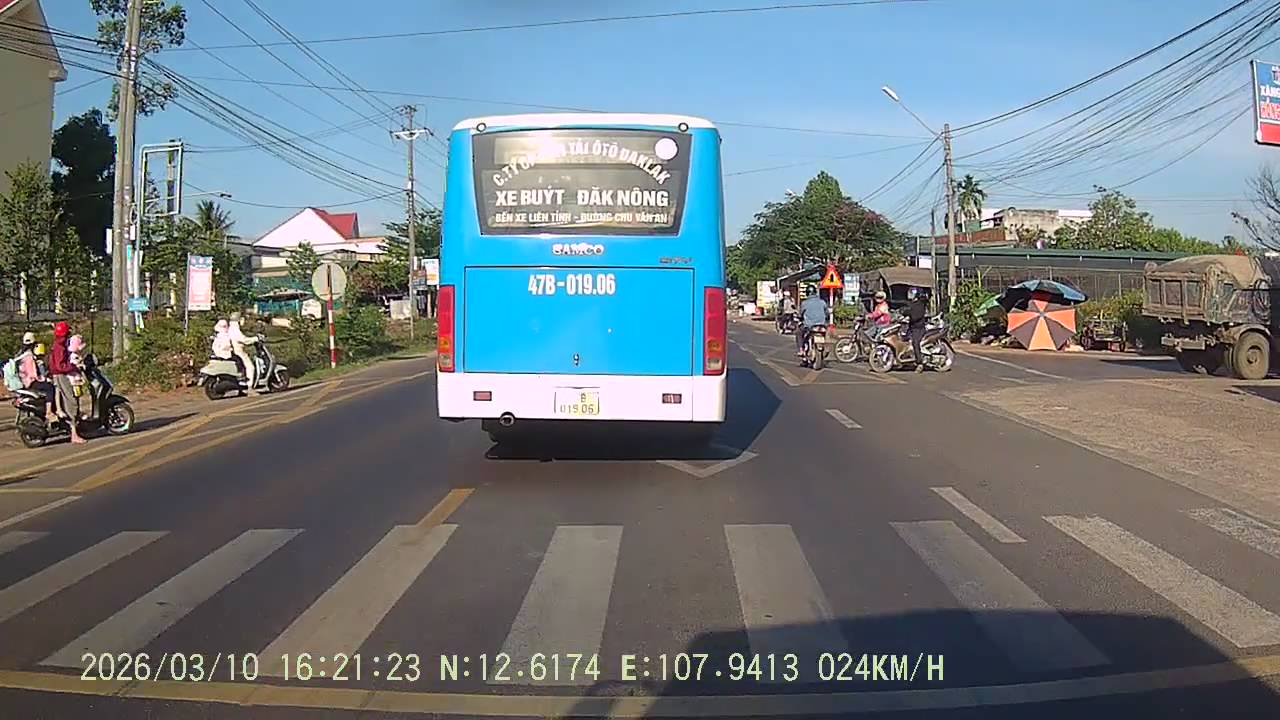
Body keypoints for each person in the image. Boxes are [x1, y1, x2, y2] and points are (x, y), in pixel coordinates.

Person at [49, 321, 85, 444]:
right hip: (62, 375)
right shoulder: (60, 347)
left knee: (70, 400)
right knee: (71, 401)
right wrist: (74, 367)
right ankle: (74, 434)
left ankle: (75, 427)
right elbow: (61, 366)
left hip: (59, 375)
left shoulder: (59, 345)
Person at [227, 312, 260, 393]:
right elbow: (243, 340)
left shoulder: (231, 328)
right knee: (250, 367)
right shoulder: (235, 329)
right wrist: (255, 339)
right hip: (239, 351)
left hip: (236, 351)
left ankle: (242, 388)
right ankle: (250, 388)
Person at [796, 284, 829, 357]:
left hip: (809, 326)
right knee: (825, 334)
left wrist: (799, 318)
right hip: (822, 326)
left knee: (798, 332)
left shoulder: (804, 303)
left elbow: (800, 314)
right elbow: (827, 313)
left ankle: (801, 350)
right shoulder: (822, 302)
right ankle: (825, 347)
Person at [905, 288, 929, 373]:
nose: (910, 295)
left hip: (918, 328)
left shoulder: (920, 304)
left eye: (912, 293)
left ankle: (920, 363)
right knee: (905, 339)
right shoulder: (911, 303)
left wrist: (909, 316)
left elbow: (916, 316)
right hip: (911, 327)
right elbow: (907, 311)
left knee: (915, 343)